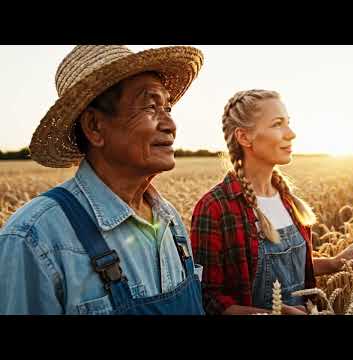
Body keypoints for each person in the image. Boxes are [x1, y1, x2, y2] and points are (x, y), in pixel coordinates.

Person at [0, 45, 205, 315]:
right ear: (95, 127)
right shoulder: (33, 239)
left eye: (168, 107)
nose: (170, 124)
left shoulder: (170, 221)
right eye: (151, 106)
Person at [190, 89, 353, 315]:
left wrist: (335, 262)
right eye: (277, 124)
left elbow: (292, 268)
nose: (291, 134)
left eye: (288, 122)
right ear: (244, 137)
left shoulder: (288, 200)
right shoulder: (215, 208)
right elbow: (207, 298)